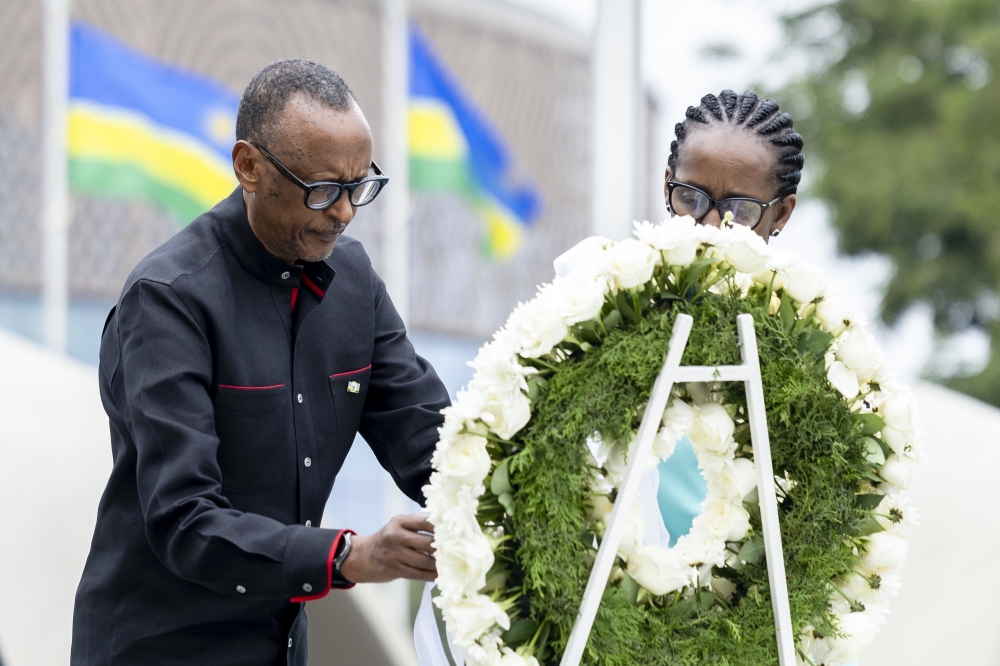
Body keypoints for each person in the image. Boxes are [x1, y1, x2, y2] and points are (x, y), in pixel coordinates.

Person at [71, 59, 450, 665]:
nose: (345, 213)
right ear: (248, 166)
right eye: (324, 189)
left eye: (360, 188)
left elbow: (432, 445)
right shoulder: (167, 299)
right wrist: (352, 555)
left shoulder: (354, 285)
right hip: (159, 650)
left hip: (280, 648)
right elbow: (186, 521)